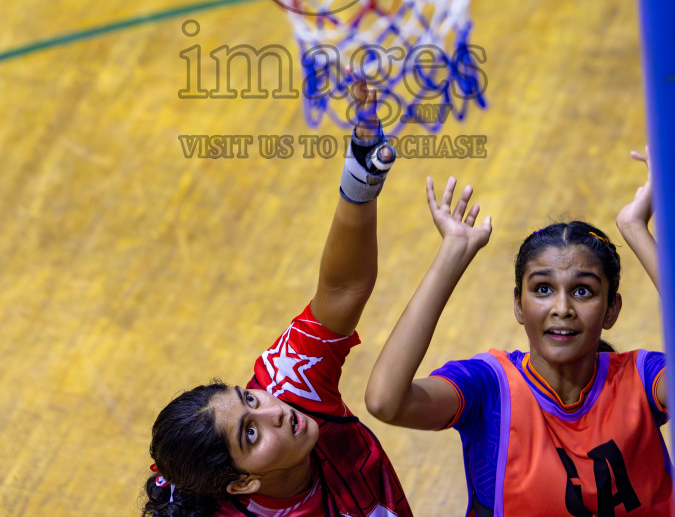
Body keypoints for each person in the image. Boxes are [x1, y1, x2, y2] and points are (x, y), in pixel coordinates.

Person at [142, 82, 414, 517]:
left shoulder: (288, 382)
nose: (273, 411)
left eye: (249, 399)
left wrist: (361, 178)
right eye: (250, 434)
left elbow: (343, 288)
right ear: (242, 482)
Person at [365, 146, 672, 517]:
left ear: (611, 310)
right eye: (543, 288)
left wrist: (636, 229)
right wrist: (452, 254)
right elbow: (385, 401)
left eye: (583, 291)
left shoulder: (642, 379)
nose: (562, 308)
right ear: (518, 305)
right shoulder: (489, 388)